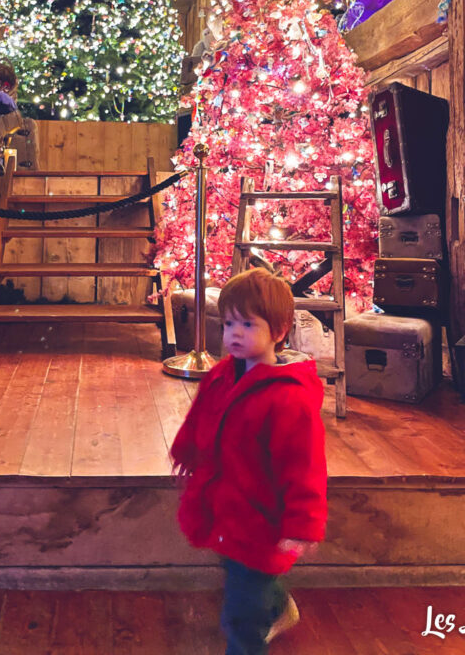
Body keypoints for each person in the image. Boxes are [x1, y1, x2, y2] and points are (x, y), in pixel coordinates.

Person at [171, 267, 328, 655]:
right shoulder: (226, 373)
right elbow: (203, 417)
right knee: (241, 570)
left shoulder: (289, 398)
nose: (234, 334)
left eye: (247, 324)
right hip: (230, 501)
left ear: (279, 330)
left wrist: (302, 524)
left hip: (264, 516)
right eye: (227, 324)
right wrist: (189, 453)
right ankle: (277, 606)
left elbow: (304, 466)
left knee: (241, 614)